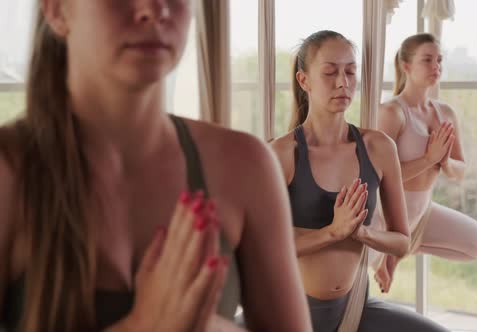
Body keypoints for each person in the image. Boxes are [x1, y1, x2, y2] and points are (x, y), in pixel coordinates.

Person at [0, 1, 311, 331]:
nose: (155, 9)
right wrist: (142, 325)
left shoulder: (247, 165)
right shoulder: (9, 171)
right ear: (57, 10)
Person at [269, 30, 449, 332]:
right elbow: (265, 247)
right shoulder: (283, 153)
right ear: (304, 81)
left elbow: (402, 241)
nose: (343, 82)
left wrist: (362, 233)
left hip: (355, 308)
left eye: (350, 71)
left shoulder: (378, 148)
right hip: (293, 313)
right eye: (329, 72)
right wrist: (332, 232)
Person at [372, 33, 477, 293]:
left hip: (421, 212)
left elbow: (459, 171)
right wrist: (428, 159)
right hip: (384, 216)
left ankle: (400, 248)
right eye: (427, 60)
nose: (436, 66)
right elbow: (379, 176)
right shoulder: (391, 112)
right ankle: (390, 246)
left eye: (439, 60)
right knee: (354, 278)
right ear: (406, 66)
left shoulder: (445, 113)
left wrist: (444, 161)